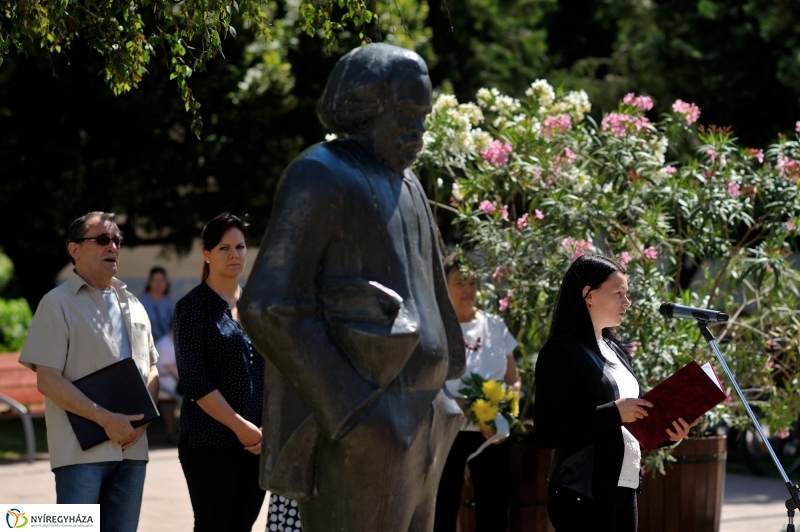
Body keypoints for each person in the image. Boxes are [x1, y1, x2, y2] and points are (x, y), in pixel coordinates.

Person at [239, 42, 466, 531]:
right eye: (407, 112)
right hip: (367, 424)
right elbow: (269, 304)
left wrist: (446, 398)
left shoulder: (410, 185)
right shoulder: (320, 174)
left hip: (428, 417)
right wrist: (350, 408)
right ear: (364, 106)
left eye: (424, 114)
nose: (420, 128)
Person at [533, 254, 697, 532]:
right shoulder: (561, 350)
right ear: (588, 295)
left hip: (623, 487)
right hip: (581, 492)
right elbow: (547, 432)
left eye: (627, 293)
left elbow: (633, 422)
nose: (627, 302)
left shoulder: (616, 351)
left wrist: (671, 434)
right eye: (618, 293)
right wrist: (614, 412)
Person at [18, 211, 159, 532]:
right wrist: (107, 421)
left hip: (133, 450)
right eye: (103, 239)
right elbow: (48, 380)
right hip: (80, 454)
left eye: (117, 241)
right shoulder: (56, 304)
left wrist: (141, 423)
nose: (113, 246)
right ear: (74, 249)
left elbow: (151, 368)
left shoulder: (135, 304)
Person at [174, 213, 267, 532]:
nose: (234, 255)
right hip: (208, 442)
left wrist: (265, 429)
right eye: (224, 247)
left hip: (257, 443)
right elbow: (194, 379)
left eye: (240, 247)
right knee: (215, 526)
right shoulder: (192, 307)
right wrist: (242, 427)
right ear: (207, 254)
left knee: (242, 526)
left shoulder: (257, 307)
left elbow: (275, 374)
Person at [434, 254, 521, 532]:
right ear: (444, 286)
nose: (467, 289)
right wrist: (463, 407)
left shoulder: (495, 325)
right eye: (459, 282)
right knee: (441, 509)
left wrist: (504, 416)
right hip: (448, 433)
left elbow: (514, 379)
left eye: (472, 281)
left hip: (493, 435)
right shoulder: (437, 328)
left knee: (495, 514)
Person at [139, 266, 175, 344]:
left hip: (167, 343)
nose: (159, 284)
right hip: (149, 343)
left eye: (162, 280)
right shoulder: (143, 301)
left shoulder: (169, 301)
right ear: (150, 282)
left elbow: (172, 323)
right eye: (156, 281)